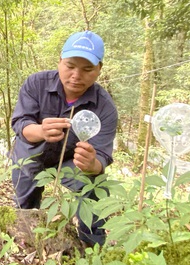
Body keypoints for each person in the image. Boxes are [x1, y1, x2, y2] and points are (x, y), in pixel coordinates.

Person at [10, 30, 118, 246]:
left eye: (87, 69)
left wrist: (92, 164)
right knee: (25, 203)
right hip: (31, 151)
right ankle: (24, 244)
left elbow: (103, 157)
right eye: (70, 66)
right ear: (59, 61)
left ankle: (92, 247)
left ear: (99, 69)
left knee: (94, 188)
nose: (76, 76)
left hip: (71, 160)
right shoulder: (36, 84)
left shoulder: (105, 107)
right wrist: (40, 131)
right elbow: (20, 123)